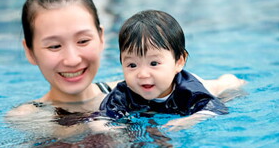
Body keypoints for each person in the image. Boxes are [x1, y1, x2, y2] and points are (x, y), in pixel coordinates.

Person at [8, 0, 244, 122]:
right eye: (54, 46)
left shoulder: (135, 87)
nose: (72, 59)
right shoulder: (28, 118)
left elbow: (224, 85)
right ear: (29, 51)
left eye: (83, 40)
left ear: (101, 38)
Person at [100, 9, 239, 123]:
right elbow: (103, 118)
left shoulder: (189, 91)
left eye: (154, 63)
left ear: (179, 62)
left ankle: (227, 80)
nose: (142, 74)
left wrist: (189, 120)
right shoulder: (123, 93)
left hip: (199, 85)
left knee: (221, 86)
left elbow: (216, 108)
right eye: (132, 65)